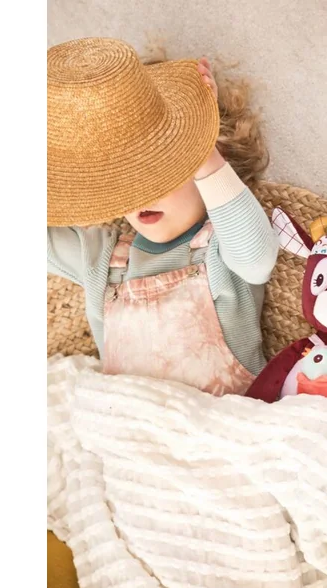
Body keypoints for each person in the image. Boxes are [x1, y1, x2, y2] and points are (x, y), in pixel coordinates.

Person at [47, 37, 278, 395]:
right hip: (128, 419)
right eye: (124, 180)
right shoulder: (100, 257)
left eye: (162, 173)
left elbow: (257, 258)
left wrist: (201, 146)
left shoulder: (221, 248)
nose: (143, 193)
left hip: (213, 420)